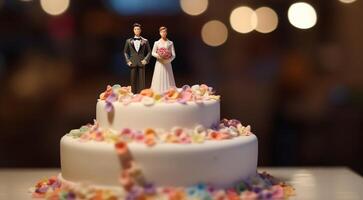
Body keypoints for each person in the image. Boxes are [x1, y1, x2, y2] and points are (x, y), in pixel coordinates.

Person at [123, 23, 151, 94]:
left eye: (138, 29)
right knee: (133, 79)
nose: (137, 30)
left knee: (142, 80)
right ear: (133, 30)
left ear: (140, 30)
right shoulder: (128, 41)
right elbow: (125, 52)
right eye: (135, 29)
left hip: (142, 62)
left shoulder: (145, 41)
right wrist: (128, 61)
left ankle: (142, 93)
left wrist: (145, 60)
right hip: (132, 62)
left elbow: (149, 52)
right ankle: (133, 93)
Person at [150, 26, 176, 94]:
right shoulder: (156, 43)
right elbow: (152, 52)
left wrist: (169, 59)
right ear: (160, 33)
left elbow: (173, 54)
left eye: (165, 31)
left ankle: (168, 91)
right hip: (159, 62)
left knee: (168, 76)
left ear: (166, 33)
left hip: (167, 63)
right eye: (162, 32)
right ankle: (158, 91)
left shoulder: (170, 43)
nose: (163, 33)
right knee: (159, 76)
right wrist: (159, 56)